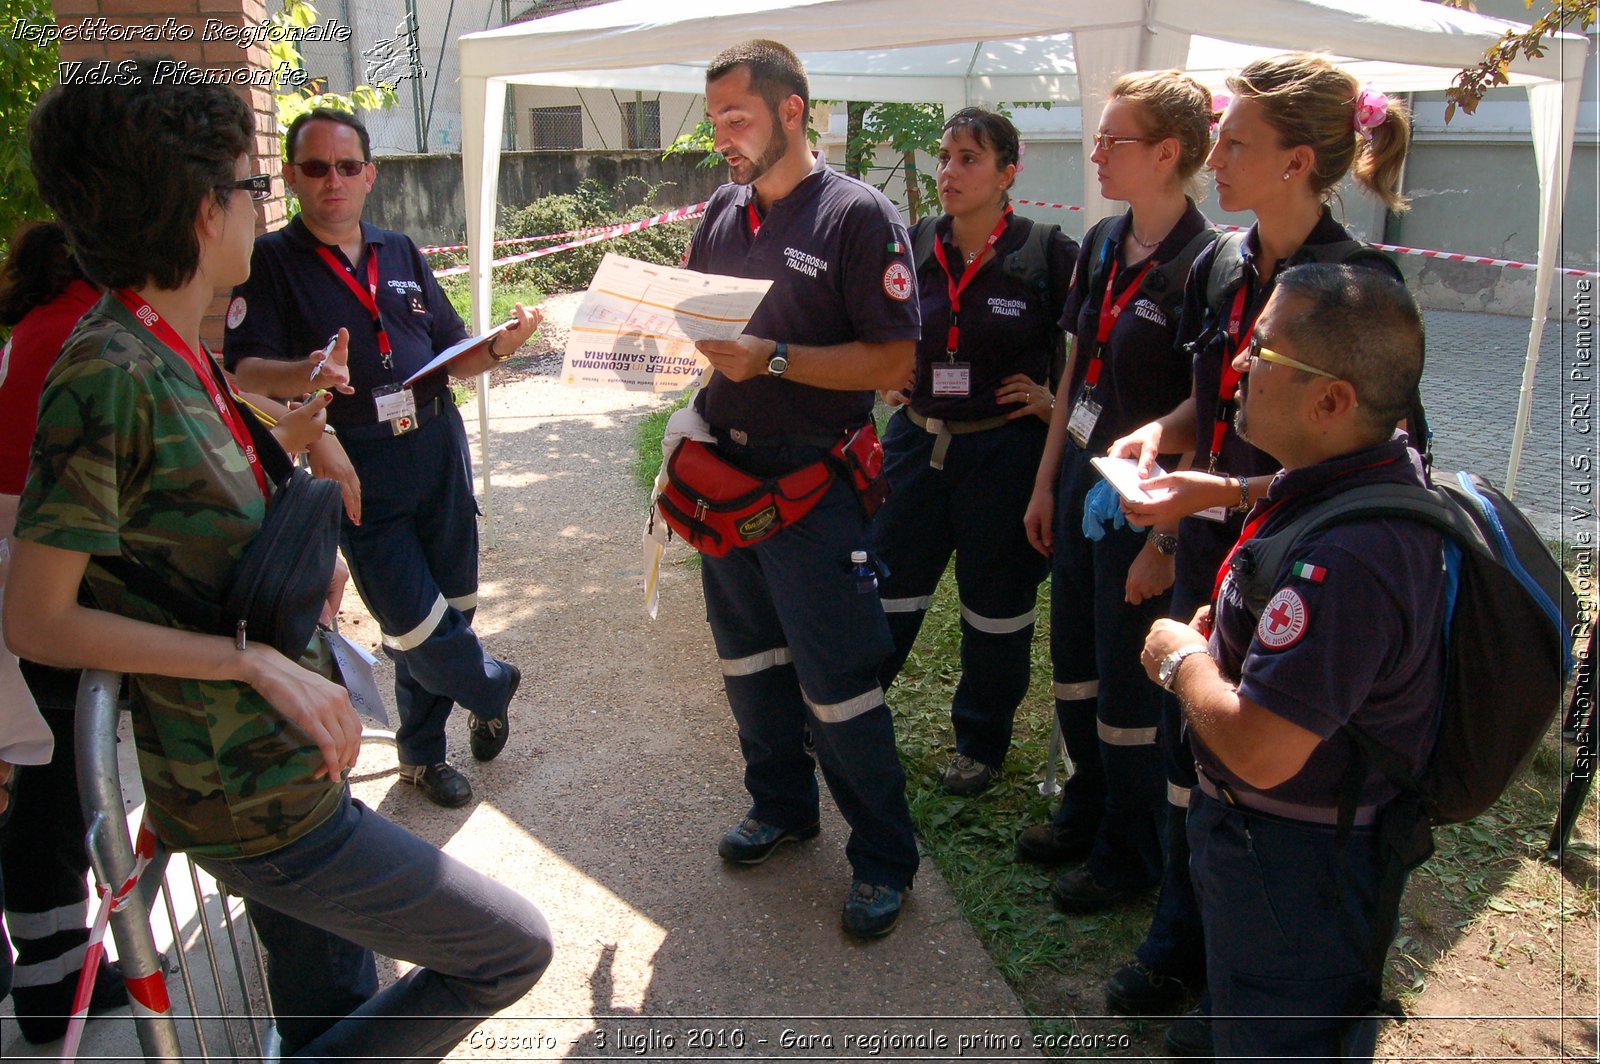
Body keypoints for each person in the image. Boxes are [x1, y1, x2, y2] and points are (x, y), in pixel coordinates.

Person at [8, 59, 552, 1059]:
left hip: (287, 760)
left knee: (337, 990)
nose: (266, 205)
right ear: (195, 209)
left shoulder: (167, 348)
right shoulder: (110, 369)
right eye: (254, 184)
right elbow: (38, 615)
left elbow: (177, 523)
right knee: (511, 946)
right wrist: (247, 658)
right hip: (248, 791)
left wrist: (294, 447)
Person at [1107, 53, 1412, 1056]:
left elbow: (1381, 470)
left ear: (1296, 161)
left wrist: (1221, 494)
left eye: (1232, 143)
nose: (1214, 158)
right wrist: (1167, 441)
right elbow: (1214, 394)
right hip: (1221, 559)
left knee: (1273, 777)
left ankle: (1242, 990)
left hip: (1306, 579)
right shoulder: (1225, 262)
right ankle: (1191, 945)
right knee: (1195, 755)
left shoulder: (1359, 297)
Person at [1141, 262, 1444, 1060]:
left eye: (1263, 352)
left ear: (1332, 400)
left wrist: (1184, 659)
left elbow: (1262, 749)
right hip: (1284, 851)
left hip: (1296, 865)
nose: (1237, 364)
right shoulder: (1361, 469)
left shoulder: (1350, 560)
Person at [224, 107, 543, 808]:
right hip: (356, 459)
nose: (332, 180)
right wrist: (314, 417)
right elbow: (242, 374)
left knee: (451, 601)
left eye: (347, 166)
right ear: (292, 177)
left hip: (435, 443)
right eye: (316, 167)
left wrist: (502, 346)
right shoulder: (271, 264)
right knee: (410, 619)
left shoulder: (399, 250)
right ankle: (491, 686)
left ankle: (423, 758)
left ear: (369, 176)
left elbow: (454, 352)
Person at [686, 39, 921, 938]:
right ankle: (781, 808)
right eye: (715, 121)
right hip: (725, 481)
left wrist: (775, 357)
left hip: (815, 490)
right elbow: (699, 321)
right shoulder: (721, 212)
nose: (724, 138)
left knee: (838, 684)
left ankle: (884, 860)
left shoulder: (858, 217)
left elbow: (896, 359)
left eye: (736, 118)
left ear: (793, 112)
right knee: (748, 664)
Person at [1014, 72, 1215, 926]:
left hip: (1143, 519)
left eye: (1112, 140)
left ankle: (1128, 855)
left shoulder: (1211, 264)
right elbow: (1074, 378)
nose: (1095, 153)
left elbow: (1213, 417)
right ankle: (1086, 808)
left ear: (1167, 153)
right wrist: (1046, 476)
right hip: (1081, 495)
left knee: (1133, 693)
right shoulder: (1100, 243)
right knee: (1076, 666)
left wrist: (1163, 542)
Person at [869, 108, 1075, 797]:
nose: (949, 172)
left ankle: (979, 746)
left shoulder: (1048, 252)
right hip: (916, 446)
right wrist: (885, 371)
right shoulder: (915, 240)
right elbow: (874, 320)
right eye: (946, 157)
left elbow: (1099, 353)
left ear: (1008, 173)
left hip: (1004, 457)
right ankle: (854, 718)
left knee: (997, 610)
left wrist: (1058, 407)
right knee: (886, 590)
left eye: (969, 159)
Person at [0, 222, 132, 1043]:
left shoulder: (38, 326)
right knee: (50, 798)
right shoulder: (83, 332)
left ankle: (50, 966)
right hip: (40, 583)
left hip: (19, 572)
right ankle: (52, 987)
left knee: (35, 791)